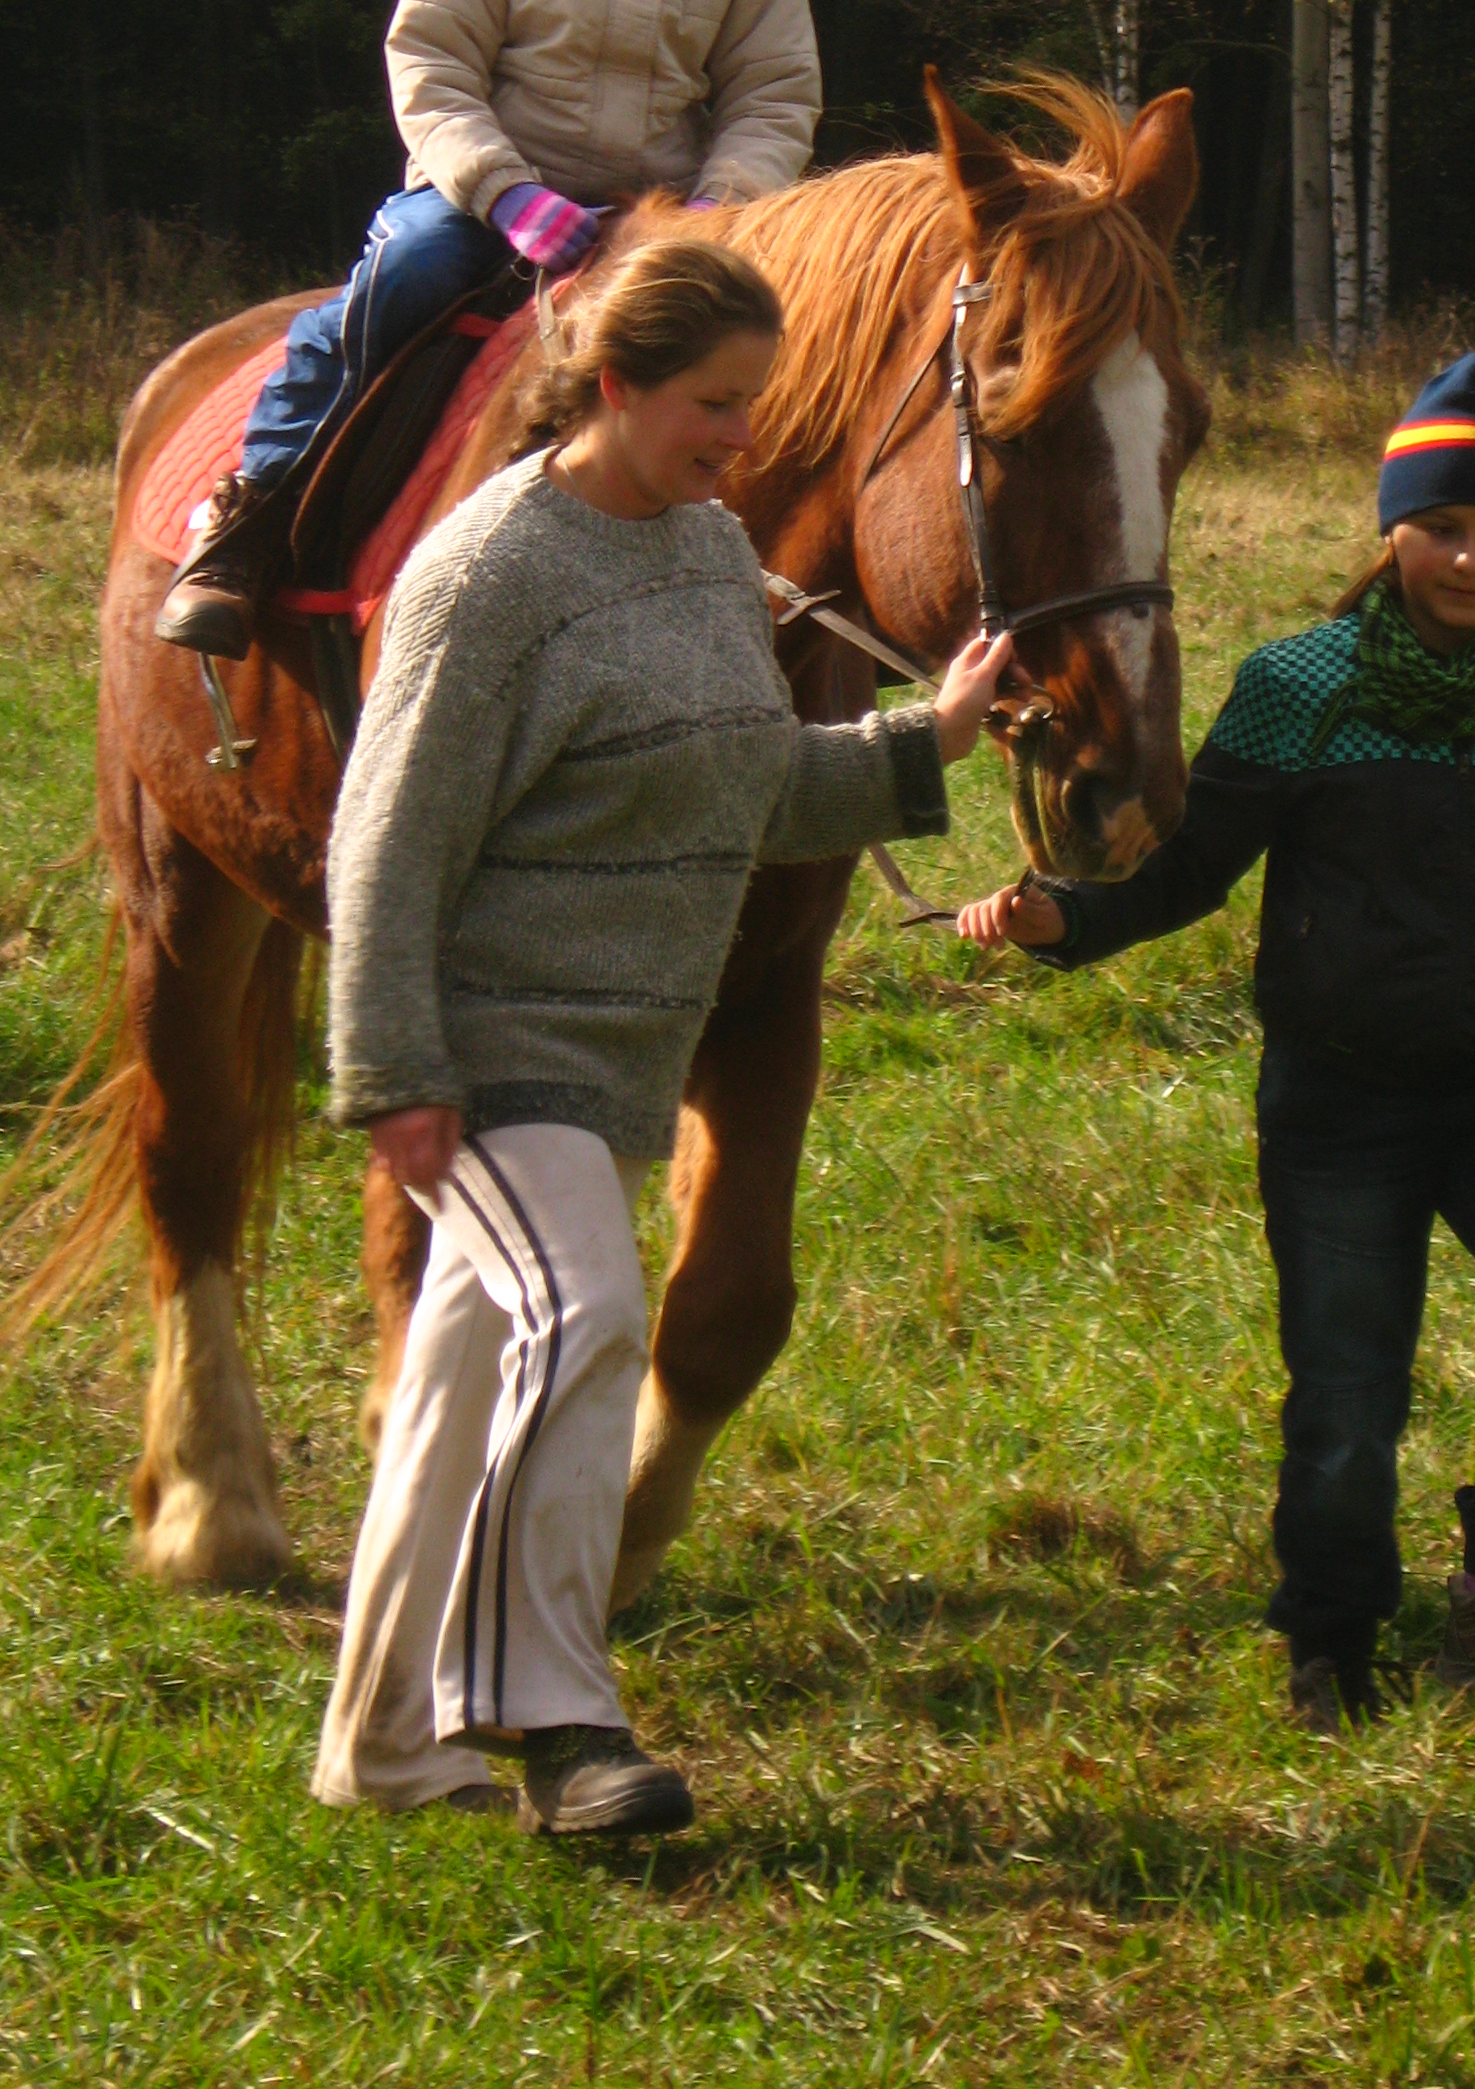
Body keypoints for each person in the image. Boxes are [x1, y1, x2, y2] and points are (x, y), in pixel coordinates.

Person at [311, 235, 1014, 1832]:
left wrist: (931, 742)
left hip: (619, 1065)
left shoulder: (707, 553)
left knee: (466, 1375)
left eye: (755, 405)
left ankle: (382, 1747)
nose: (741, 439)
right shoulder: (486, 578)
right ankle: (551, 1717)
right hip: (492, 1054)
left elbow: (750, 786)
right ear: (613, 387)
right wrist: (397, 1074)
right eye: (713, 403)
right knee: (590, 1315)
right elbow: (385, 843)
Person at [955, 352, 1475, 1736]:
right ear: (1390, 529)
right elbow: (1193, 872)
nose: (1468, 558)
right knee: (1350, 1388)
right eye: (1442, 527)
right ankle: (1332, 1631)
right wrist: (1067, 918)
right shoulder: (1299, 690)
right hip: (1339, 1107)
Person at [157, 0, 822, 658]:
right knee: (401, 281)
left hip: (670, 218)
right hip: (486, 205)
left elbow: (774, 94)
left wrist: (717, 207)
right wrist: (505, 192)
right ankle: (247, 529)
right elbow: (429, 63)